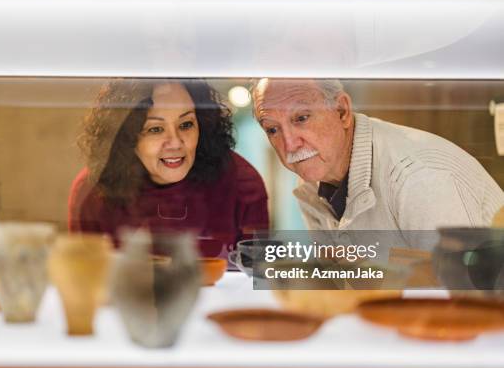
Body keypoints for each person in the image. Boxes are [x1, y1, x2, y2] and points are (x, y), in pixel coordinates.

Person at [252, 78, 504, 249]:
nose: (290, 144)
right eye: (273, 129)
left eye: (302, 118)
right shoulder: (314, 179)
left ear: (342, 111)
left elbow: (462, 297)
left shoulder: (418, 178)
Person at [69, 79, 269, 256]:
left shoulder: (242, 182)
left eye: (186, 125)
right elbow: (85, 282)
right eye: (155, 129)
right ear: (127, 136)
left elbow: (257, 279)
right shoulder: (92, 190)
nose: (175, 143)